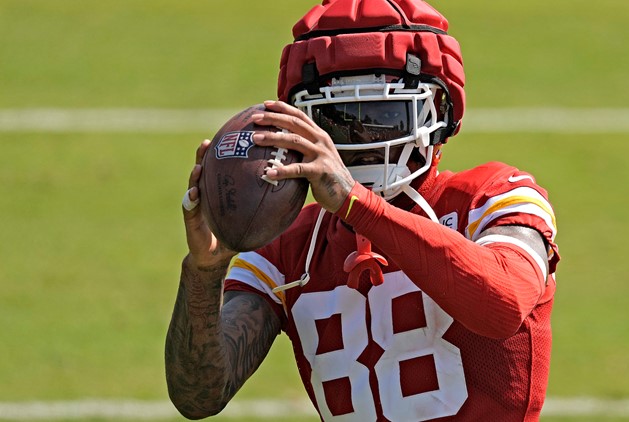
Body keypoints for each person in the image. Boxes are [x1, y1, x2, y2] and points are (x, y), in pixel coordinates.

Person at [165, 0, 560, 420]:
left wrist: (358, 204)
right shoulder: (287, 242)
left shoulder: (493, 195)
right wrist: (205, 271)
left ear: (440, 111)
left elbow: (503, 306)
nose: (362, 140)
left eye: (384, 117)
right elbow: (199, 396)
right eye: (338, 121)